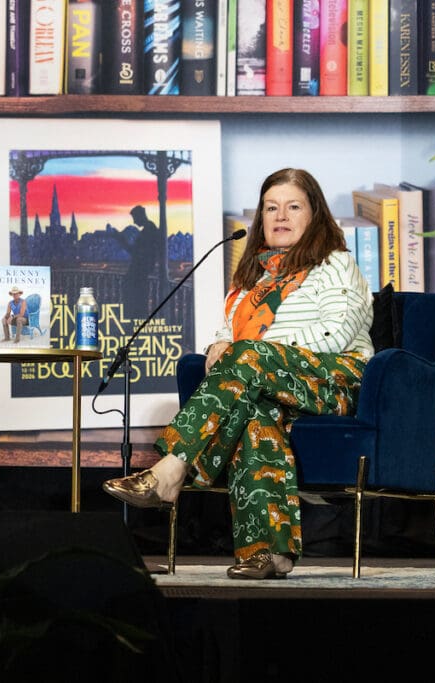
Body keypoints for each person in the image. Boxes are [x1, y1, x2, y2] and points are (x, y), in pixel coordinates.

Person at [103, 168, 374, 579]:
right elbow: (226, 335)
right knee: (254, 416)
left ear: (314, 214)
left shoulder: (336, 265)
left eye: (293, 206)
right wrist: (218, 346)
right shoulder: (253, 281)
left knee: (247, 358)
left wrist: (255, 351)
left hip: (332, 382)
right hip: (269, 383)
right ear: (261, 219)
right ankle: (271, 554)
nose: (280, 215)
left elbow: (334, 335)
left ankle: (172, 468)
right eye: (271, 208)